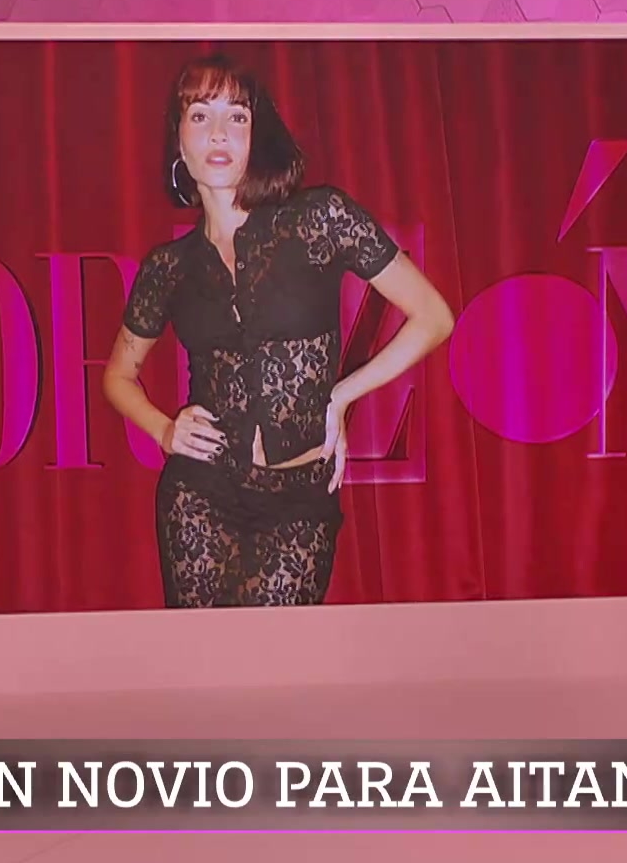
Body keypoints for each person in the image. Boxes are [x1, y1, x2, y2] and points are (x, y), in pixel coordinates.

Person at [102, 53, 454, 609]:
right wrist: (165, 430)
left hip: (300, 501)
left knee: (274, 659)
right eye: (200, 114)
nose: (219, 132)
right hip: (200, 495)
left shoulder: (321, 219)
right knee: (202, 659)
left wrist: (342, 395)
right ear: (179, 141)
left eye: (237, 116)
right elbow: (118, 375)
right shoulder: (168, 267)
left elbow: (434, 317)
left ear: (255, 134)